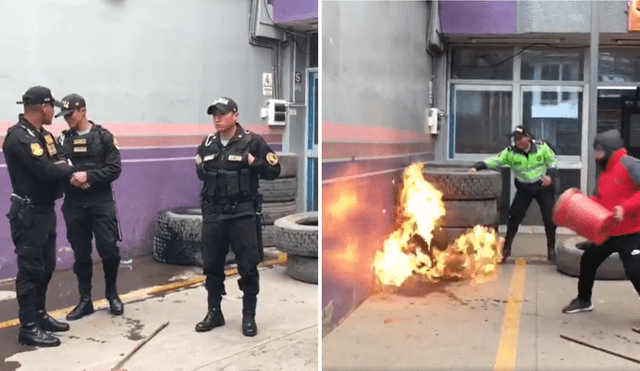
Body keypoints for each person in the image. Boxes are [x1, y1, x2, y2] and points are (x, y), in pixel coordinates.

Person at [194, 97, 280, 336]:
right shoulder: (207, 143)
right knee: (211, 265)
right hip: (214, 214)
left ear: (236, 115)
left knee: (248, 266)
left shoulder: (252, 141)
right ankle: (214, 312)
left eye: (222, 114)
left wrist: (255, 164)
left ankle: (249, 317)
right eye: (214, 115)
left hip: (242, 214)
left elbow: (275, 169)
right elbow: (201, 172)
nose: (217, 119)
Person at [4, 86, 75, 346]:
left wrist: (63, 166)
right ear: (43, 107)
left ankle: (40, 314)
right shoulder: (19, 137)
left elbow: (60, 158)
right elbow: (45, 170)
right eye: (52, 107)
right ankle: (28, 327)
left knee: (46, 266)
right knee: (31, 270)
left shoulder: (43, 135)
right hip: (29, 212)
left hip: (45, 210)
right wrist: (67, 170)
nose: (54, 112)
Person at [55, 94, 124, 320]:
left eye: (71, 114)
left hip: (101, 203)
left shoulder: (104, 137)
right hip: (75, 204)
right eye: (64, 116)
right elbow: (58, 166)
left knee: (109, 250)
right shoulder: (63, 140)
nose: (67, 119)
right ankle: (85, 300)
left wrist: (89, 176)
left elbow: (114, 169)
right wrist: (73, 178)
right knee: (81, 254)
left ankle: (112, 295)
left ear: (83, 111)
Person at [562, 129, 640, 314]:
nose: (596, 156)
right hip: (610, 232)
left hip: (632, 232)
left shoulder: (631, 164)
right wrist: (583, 205)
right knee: (588, 259)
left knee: (636, 272)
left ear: (610, 150)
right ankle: (583, 300)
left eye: (598, 151)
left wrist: (624, 208)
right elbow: (603, 200)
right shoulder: (605, 173)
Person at [470, 125, 558, 262]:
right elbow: (495, 160)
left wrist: (550, 177)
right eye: (515, 139)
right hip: (524, 189)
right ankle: (506, 249)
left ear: (528, 138)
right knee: (514, 218)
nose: (517, 142)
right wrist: (477, 167)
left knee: (549, 219)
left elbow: (552, 161)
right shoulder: (510, 153)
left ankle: (551, 249)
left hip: (542, 187)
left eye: (519, 138)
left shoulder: (541, 148)